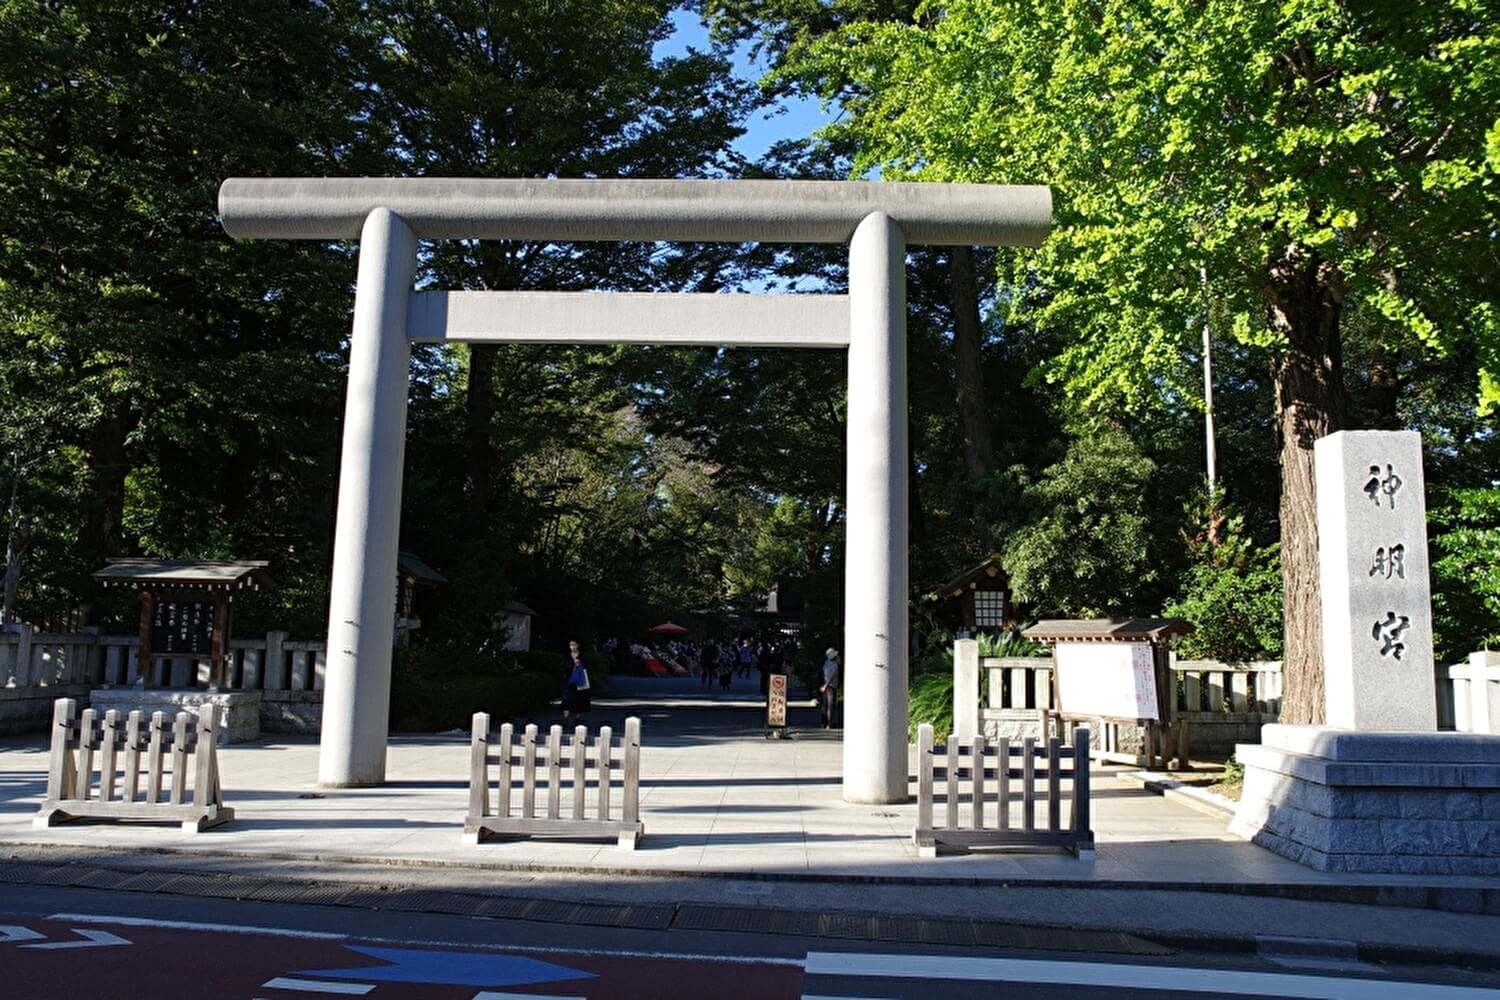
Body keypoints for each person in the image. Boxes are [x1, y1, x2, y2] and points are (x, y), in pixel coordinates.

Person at [560, 639, 591, 725]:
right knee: (566, 699)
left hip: (579, 681)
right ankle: (565, 717)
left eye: (574, 645)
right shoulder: (566, 656)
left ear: (578, 645)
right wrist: (572, 664)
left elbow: (588, 666)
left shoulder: (582, 656)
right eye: (570, 645)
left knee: (579, 699)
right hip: (568, 681)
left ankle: (577, 718)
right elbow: (562, 666)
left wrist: (580, 663)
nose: (572, 647)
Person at [819, 647, 840, 729]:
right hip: (830, 686)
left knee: (824, 705)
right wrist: (825, 685)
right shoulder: (834, 664)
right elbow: (831, 677)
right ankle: (828, 724)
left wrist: (823, 685)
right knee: (830, 706)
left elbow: (824, 675)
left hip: (825, 685)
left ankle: (823, 723)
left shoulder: (826, 663)